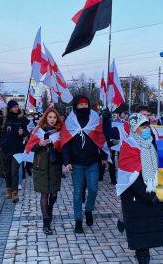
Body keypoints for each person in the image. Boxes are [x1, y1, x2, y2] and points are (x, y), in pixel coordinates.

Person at [117, 113, 163, 264]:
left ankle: (146, 249)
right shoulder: (129, 145)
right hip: (135, 193)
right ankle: (141, 253)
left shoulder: (152, 143)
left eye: (147, 125)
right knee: (138, 224)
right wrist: (147, 194)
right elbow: (129, 176)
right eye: (142, 126)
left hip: (152, 189)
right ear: (135, 128)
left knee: (149, 223)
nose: (146, 129)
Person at [61, 95, 111, 233]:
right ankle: (78, 220)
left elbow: (102, 138)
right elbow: (65, 142)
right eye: (80, 104)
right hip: (76, 163)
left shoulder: (95, 120)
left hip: (92, 162)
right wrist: (67, 161)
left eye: (85, 104)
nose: (83, 106)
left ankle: (88, 210)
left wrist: (107, 120)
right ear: (76, 106)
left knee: (93, 189)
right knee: (77, 193)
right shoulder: (70, 122)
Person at [25, 108, 63, 235]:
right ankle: (46, 222)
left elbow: (64, 147)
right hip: (40, 166)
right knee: (44, 195)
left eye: (54, 117)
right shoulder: (38, 131)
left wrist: (56, 145)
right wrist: (39, 144)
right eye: (49, 117)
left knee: (53, 194)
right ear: (46, 118)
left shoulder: (61, 131)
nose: (52, 119)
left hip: (54, 167)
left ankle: (50, 208)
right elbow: (30, 147)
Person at [0, 100, 29, 203]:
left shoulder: (22, 119)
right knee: (7, 171)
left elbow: (27, 133)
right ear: (10, 108)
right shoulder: (3, 119)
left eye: (17, 106)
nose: (16, 108)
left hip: (17, 149)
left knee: (15, 171)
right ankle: (8, 189)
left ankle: (15, 193)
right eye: (14, 107)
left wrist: (23, 133)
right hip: (5, 149)